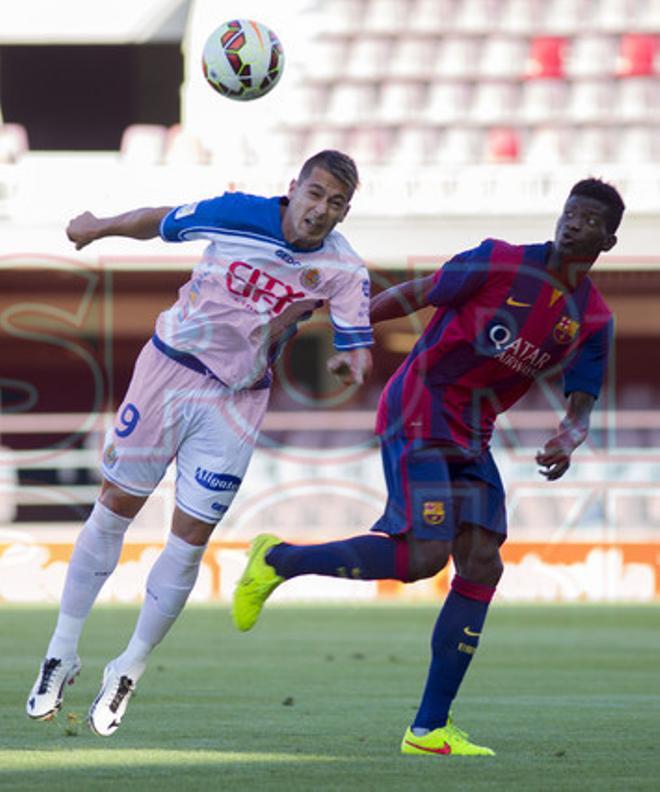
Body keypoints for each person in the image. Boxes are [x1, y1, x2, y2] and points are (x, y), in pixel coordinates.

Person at [232, 178, 625, 757]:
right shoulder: (500, 260)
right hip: (420, 404)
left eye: (589, 221)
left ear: (608, 240)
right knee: (422, 556)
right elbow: (419, 292)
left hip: (472, 432)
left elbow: (582, 398)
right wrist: (352, 335)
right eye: (571, 213)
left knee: (483, 563)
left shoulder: (592, 318)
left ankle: (428, 729)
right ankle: (276, 560)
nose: (574, 224)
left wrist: (569, 436)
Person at [26, 150, 373, 736]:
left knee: (189, 541)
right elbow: (160, 220)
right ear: (293, 189)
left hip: (237, 401)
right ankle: (62, 651)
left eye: (336, 203)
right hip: (169, 370)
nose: (321, 210)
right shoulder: (236, 213)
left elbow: (356, 336)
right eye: (315, 194)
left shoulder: (345, 270)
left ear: (344, 213)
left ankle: (129, 666)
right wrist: (98, 227)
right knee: (114, 509)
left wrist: (352, 359)